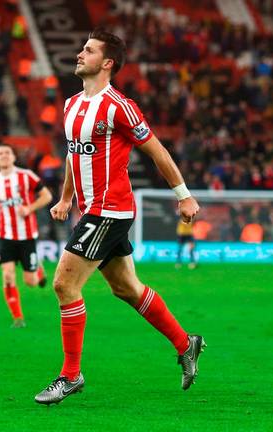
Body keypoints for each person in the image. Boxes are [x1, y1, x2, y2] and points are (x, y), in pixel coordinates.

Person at [34, 29, 205, 405]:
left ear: (107, 63)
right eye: (82, 48)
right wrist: (65, 198)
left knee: (64, 285)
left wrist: (184, 196)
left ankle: (71, 375)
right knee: (126, 288)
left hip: (110, 209)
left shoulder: (118, 106)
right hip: (92, 208)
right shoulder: (71, 105)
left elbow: (157, 151)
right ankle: (186, 342)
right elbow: (73, 155)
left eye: (89, 50)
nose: (80, 54)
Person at [0, 144, 53, 328]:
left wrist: (29, 208)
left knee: (31, 282)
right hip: (5, 235)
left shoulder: (26, 176)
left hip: (27, 236)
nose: (3, 156)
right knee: (8, 275)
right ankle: (18, 318)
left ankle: (38, 270)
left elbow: (47, 196)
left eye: (7, 153)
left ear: (13, 157)